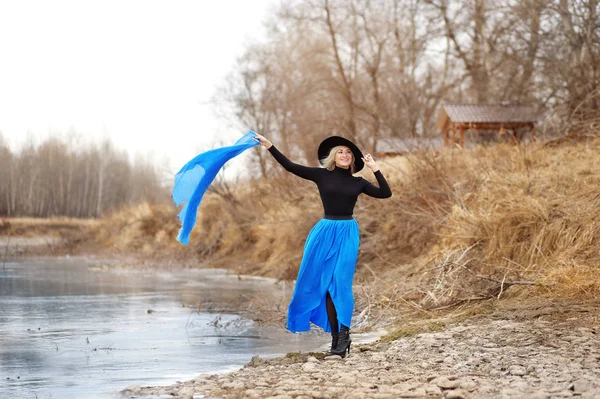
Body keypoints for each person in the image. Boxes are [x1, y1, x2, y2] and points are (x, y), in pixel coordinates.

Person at [254, 133, 392, 357]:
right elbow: (290, 166)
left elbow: (385, 193)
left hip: (347, 232)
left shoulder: (358, 182)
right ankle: (336, 340)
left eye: (348, 152)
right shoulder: (321, 175)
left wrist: (375, 169)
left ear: (353, 159)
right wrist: (269, 145)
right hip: (323, 232)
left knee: (341, 283)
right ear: (333, 157)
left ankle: (345, 334)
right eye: (341, 151)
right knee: (324, 286)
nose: (345, 155)